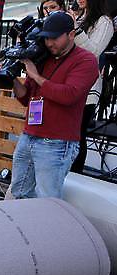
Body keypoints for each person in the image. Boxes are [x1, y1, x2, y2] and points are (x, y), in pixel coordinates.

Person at [11, 12, 99, 199]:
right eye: (46, 38)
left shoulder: (87, 60)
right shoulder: (44, 57)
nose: (49, 43)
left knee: (47, 199)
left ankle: (47, 229)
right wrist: (10, 77)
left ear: (71, 35)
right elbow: (26, 98)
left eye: (54, 38)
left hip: (57, 141)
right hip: (29, 135)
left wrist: (35, 76)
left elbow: (69, 95)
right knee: (19, 192)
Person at [69, 0, 113, 173]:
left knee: (77, 133)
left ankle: (75, 174)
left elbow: (93, 52)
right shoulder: (80, 17)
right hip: (68, 82)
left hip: (88, 87)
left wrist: (77, 30)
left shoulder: (104, 22)